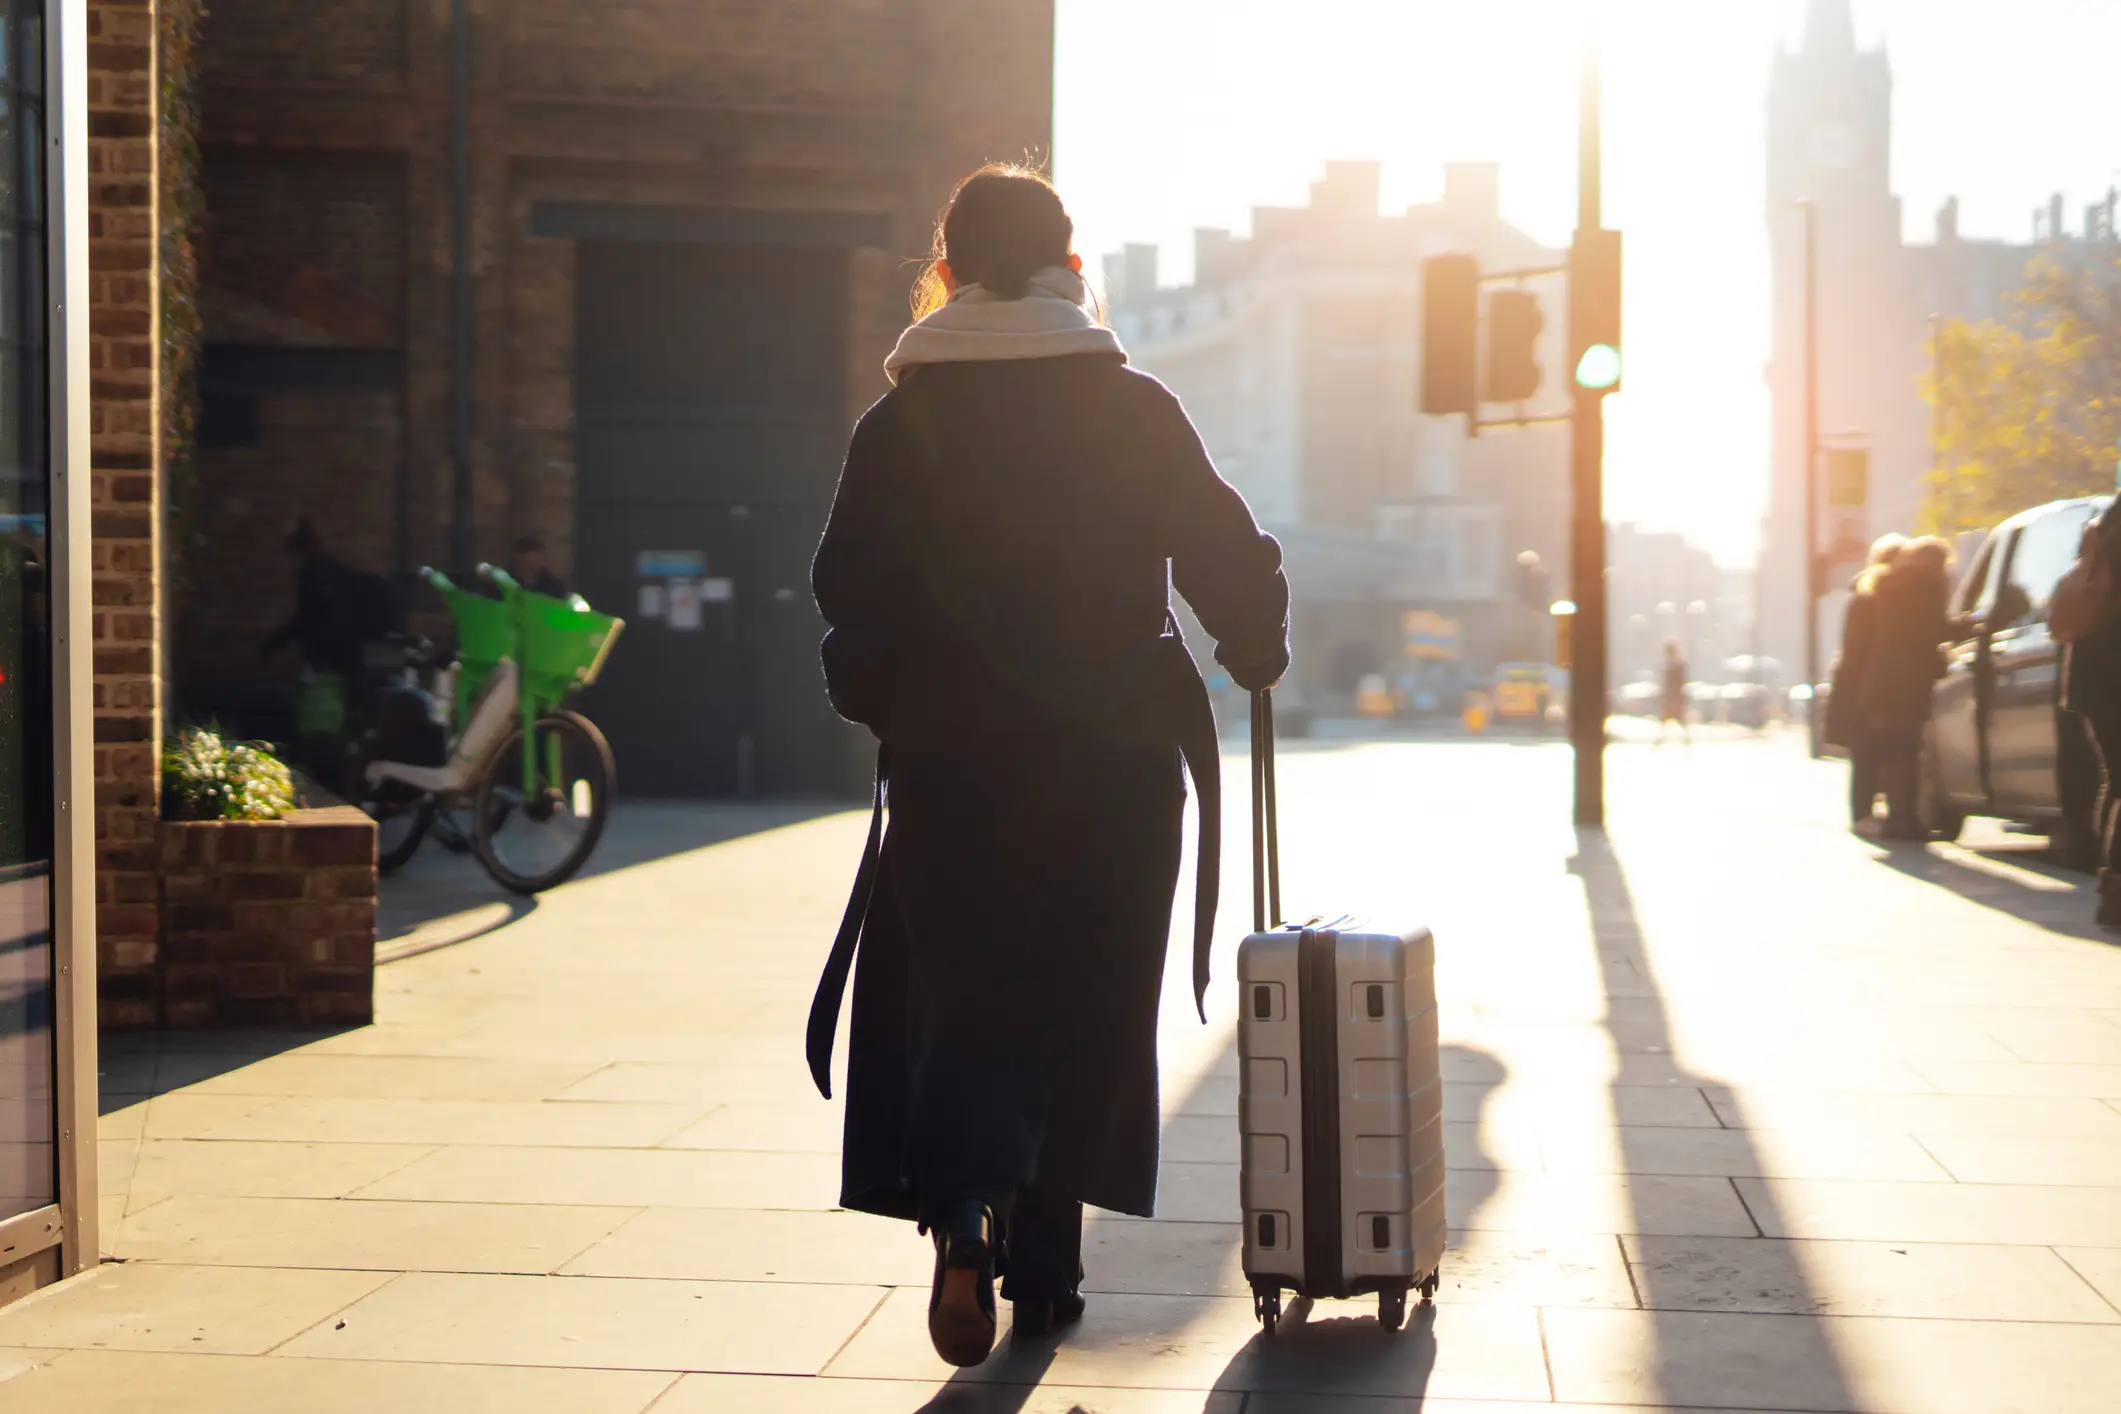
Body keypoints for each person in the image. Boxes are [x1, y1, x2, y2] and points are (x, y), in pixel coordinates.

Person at [805, 164, 1289, 1368]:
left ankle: (964, 1213)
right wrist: (1255, 641)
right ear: (1073, 271)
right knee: (1085, 993)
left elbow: (846, 594)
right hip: (1114, 756)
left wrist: (886, 702)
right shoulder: (1129, 406)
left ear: (949, 273)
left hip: (953, 756)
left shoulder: (899, 419)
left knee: (965, 988)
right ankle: (1052, 1268)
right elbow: (1222, 546)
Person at [1856, 536, 1953, 840]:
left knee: (1894, 752)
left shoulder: (1889, 585)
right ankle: (1906, 820)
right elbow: (1932, 631)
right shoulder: (1929, 587)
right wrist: (1966, 626)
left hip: (1883, 681)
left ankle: (1900, 819)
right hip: (1909, 683)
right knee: (1907, 752)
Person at [2060, 504, 2121, 927]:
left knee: (2116, 778)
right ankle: (2114, 889)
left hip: (2096, 674)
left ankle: (2112, 888)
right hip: (2112, 668)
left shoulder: (2106, 522)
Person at [1825, 534, 1906, 828]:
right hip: (1866, 685)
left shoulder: (1864, 595)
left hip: (1859, 683)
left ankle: (1865, 814)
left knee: (1868, 752)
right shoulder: (1871, 596)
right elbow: (1858, 648)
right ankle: (1864, 815)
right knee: (1869, 750)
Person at [1657, 639, 1690, 744]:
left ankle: (1686, 740)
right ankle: (1660, 740)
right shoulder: (1673, 666)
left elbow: (1678, 683)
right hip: (1672, 699)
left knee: (1676, 719)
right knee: (1671, 719)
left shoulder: (1676, 666)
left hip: (1673, 699)